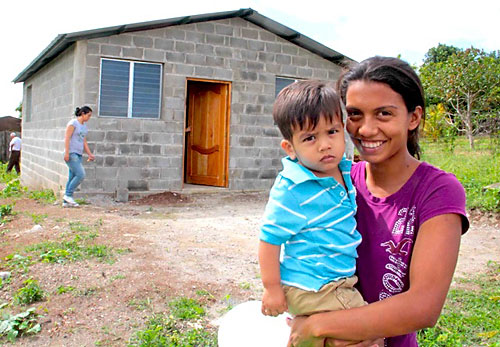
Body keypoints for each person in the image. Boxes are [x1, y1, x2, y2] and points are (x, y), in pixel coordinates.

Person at [287, 56, 469, 347]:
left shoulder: (437, 191)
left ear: (414, 117)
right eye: (355, 114)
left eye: (383, 114)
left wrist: (318, 326)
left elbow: (423, 305)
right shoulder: (336, 182)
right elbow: (301, 260)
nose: (366, 129)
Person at [259, 80, 365, 326]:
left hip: (336, 282)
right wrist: (272, 288)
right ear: (290, 148)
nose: (325, 144)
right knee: (369, 331)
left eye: (332, 132)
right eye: (309, 138)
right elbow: (269, 240)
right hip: (315, 286)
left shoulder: (346, 171)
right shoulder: (293, 188)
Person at [63, 106, 95, 207]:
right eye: (88, 115)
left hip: (78, 153)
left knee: (72, 176)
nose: (89, 118)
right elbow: (67, 138)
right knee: (81, 174)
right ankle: (68, 195)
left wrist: (89, 153)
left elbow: (84, 141)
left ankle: (66, 201)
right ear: (82, 114)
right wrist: (67, 152)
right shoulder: (73, 123)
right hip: (71, 153)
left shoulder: (84, 126)